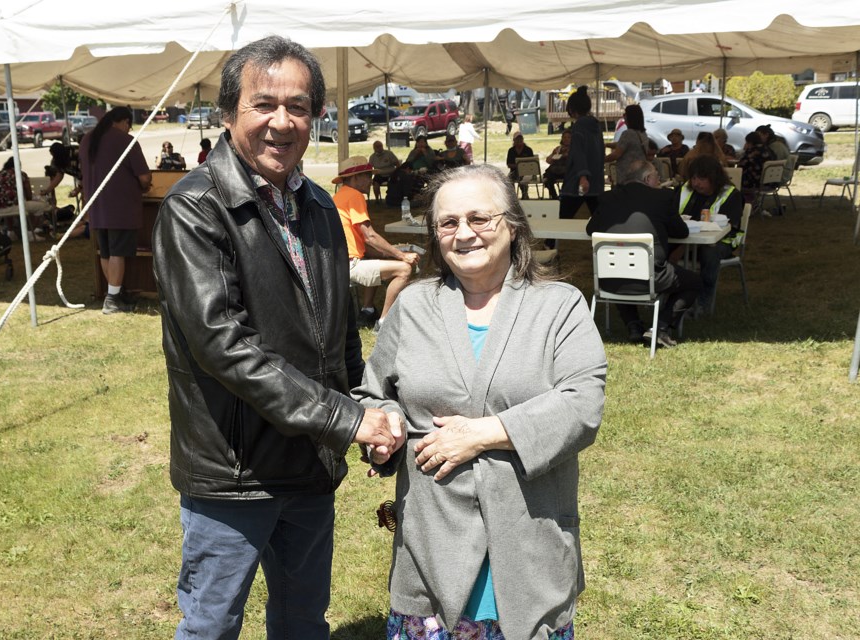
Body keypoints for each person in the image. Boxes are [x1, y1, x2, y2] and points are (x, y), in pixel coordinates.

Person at [150, 35, 402, 640]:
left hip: (308, 464)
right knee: (212, 625)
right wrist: (345, 421)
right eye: (263, 105)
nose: (281, 122)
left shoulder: (317, 205)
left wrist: (364, 409)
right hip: (235, 472)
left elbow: (339, 332)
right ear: (229, 113)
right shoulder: (195, 210)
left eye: (298, 107)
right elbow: (222, 346)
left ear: (315, 117)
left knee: (302, 621)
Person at [354, 163, 607, 640]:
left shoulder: (559, 306)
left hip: (528, 544)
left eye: (480, 218)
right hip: (431, 550)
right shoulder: (413, 305)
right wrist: (384, 433)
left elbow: (582, 403)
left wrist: (484, 433)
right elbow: (373, 394)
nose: (464, 233)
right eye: (448, 223)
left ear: (512, 224)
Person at [587, 160, 701, 347]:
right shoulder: (663, 198)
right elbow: (681, 232)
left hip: (607, 278)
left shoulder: (607, 198)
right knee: (694, 281)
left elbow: (591, 229)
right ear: (648, 178)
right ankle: (661, 327)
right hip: (651, 278)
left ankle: (633, 325)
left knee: (621, 267)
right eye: (657, 176)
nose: (660, 180)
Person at [79, 106, 152, 314]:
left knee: (106, 252)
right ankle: (112, 299)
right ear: (124, 122)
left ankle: (115, 293)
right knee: (118, 253)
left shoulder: (87, 140)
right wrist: (145, 186)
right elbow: (145, 178)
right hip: (120, 207)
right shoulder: (125, 141)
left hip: (96, 207)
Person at [333, 155, 419, 329]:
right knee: (405, 269)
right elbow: (370, 236)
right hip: (348, 265)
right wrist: (401, 255)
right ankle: (384, 322)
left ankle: (368, 310)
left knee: (379, 261)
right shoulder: (355, 196)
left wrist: (389, 252)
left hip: (339, 262)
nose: (370, 180)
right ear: (355, 177)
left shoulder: (340, 196)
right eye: (367, 176)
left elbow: (362, 245)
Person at [677, 155, 744, 312]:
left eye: (701, 179)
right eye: (693, 178)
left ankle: (703, 300)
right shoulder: (684, 191)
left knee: (710, 251)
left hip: (721, 242)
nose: (696, 183)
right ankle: (670, 293)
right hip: (685, 239)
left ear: (714, 178)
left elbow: (729, 225)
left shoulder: (731, 195)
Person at [560, 85, 605, 219]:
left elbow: (578, 153)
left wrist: (582, 176)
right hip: (596, 179)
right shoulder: (596, 125)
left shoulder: (579, 126)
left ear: (572, 109)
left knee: (563, 219)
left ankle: (552, 240)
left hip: (578, 180)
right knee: (599, 220)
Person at [604, 104, 650, 184]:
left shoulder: (628, 134)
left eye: (625, 114)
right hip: (640, 173)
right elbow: (623, 144)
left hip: (627, 175)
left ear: (631, 117)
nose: (623, 116)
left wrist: (602, 160)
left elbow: (616, 154)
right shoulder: (643, 133)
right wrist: (607, 144)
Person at [737, 131, 770, 204]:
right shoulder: (767, 149)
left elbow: (740, 166)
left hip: (752, 182)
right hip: (767, 181)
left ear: (750, 142)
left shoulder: (751, 151)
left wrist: (745, 150)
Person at [505, 132, 535, 199]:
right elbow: (508, 164)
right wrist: (517, 166)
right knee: (509, 179)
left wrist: (523, 166)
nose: (519, 141)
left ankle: (525, 194)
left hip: (527, 172)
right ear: (514, 140)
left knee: (523, 178)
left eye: (520, 139)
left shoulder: (528, 150)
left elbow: (532, 163)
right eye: (517, 139)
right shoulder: (511, 151)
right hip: (514, 171)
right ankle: (512, 196)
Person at [543, 130, 570, 199]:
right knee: (548, 176)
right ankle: (554, 196)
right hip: (556, 171)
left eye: (568, 137)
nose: (566, 139)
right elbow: (548, 160)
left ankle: (563, 195)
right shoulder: (558, 149)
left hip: (567, 171)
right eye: (564, 137)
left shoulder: (574, 149)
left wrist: (561, 156)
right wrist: (553, 155)